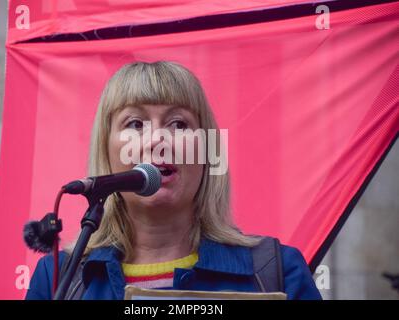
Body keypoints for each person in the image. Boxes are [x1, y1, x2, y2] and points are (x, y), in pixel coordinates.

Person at [25, 61, 322, 300]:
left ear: (207, 152)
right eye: (135, 124)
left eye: (178, 124)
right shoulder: (56, 280)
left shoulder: (277, 272)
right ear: (106, 150)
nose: (157, 139)